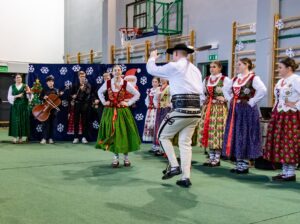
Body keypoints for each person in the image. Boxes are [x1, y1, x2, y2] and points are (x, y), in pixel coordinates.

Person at [146, 43, 204, 187]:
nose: (172, 56)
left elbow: (151, 70)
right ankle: (185, 177)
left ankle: (173, 165)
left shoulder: (175, 66)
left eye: (173, 54)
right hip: (196, 110)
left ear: (177, 54)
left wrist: (152, 58)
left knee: (162, 136)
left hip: (181, 109)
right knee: (185, 143)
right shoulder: (195, 69)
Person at [222, 58, 267, 174]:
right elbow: (224, 89)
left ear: (247, 65)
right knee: (236, 133)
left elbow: (263, 90)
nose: (237, 66)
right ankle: (239, 162)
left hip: (247, 110)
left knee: (246, 134)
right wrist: (230, 99)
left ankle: (245, 164)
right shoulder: (235, 78)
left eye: (239, 64)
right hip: (236, 110)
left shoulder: (253, 78)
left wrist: (252, 101)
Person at [96, 65, 141, 168]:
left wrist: (128, 103)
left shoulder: (125, 83)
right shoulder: (108, 83)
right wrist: (103, 101)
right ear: (112, 72)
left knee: (124, 133)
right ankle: (115, 158)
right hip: (111, 111)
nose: (117, 72)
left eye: (119, 70)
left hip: (122, 111)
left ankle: (126, 158)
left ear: (121, 72)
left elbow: (137, 94)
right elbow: (99, 92)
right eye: (115, 70)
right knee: (113, 134)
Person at [264, 57, 300, 181]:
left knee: (289, 142)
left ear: (289, 68)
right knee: (281, 142)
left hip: (291, 116)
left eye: (280, 67)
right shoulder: (280, 82)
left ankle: (291, 172)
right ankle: (285, 171)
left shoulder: (296, 80)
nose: (278, 70)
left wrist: (296, 104)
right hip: (280, 114)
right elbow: (278, 98)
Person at [198, 61, 232, 167]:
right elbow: (201, 91)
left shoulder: (225, 80)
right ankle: (211, 157)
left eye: (214, 67)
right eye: (210, 67)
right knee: (209, 131)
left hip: (220, 109)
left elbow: (232, 93)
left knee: (217, 132)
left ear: (220, 68)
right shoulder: (207, 79)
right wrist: (203, 100)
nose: (211, 69)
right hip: (208, 108)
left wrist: (225, 99)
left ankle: (217, 158)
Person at [7, 73, 31, 144]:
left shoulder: (25, 86)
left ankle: (20, 138)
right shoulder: (11, 87)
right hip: (15, 107)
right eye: (17, 77)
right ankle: (14, 137)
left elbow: (30, 96)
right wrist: (17, 96)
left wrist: (28, 93)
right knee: (15, 121)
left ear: (21, 78)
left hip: (23, 107)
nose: (19, 79)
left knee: (22, 121)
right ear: (15, 79)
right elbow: (9, 97)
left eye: (20, 77)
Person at [39, 75, 63, 144]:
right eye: (49, 81)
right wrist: (44, 97)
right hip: (46, 110)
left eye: (52, 81)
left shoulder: (56, 90)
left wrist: (60, 95)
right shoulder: (44, 90)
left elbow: (58, 101)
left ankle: (51, 138)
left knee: (53, 124)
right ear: (47, 83)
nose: (50, 82)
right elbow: (40, 98)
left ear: (53, 82)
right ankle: (44, 138)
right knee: (45, 124)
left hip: (54, 110)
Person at [71, 71, 91, 144]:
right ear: (78, 77)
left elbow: (88, 93)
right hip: (77, 105)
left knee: (84, 121)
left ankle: (84, 137)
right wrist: (73, 96)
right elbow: (71, 94)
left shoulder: (88, 85)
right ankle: (76, 137)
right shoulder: (75, 85)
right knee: (76, 121)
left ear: (85, 76)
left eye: (83, 76)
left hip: (85, 105)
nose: (82, 77)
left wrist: (83, 89)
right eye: (81, 76)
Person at [152, 78, 171, 156]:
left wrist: (169, 105)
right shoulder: (158, 88)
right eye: (161, 78)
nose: (162, 79)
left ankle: (165, 149)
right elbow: (155, 99)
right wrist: (156, 105)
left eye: (164, 78)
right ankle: (158, 147)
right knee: (158, 127)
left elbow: (172, 97)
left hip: (166, 110)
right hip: (159, 110)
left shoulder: (169, 87)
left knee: (165, 128)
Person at [143, 77, 160, 143]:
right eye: (153, 82)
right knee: (150, 124)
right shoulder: (150, 90)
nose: (154, 83)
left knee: (155, 124)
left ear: (159, 83)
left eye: (156, 82)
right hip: (150, 110)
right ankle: (153, 142)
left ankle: (157, 142)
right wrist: (148, 105)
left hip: (156, 110)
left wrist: (156, 106)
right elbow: (146, 100)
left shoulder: (159, 90)